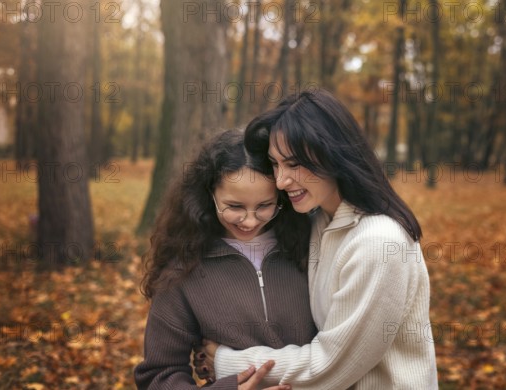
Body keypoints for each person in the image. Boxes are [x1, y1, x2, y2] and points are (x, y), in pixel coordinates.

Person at [195, 89, 438, 389]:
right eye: (275, 164)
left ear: (333, 155)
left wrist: (227, 363)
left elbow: (329, 365)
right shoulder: (320, 221)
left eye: (294, 164)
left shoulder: (378, 243)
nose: (281, 181)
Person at [134, 129, 318, 389]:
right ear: (209, 194)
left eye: (265, 205)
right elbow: (159, 375)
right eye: (235, 207)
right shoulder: (184, 266)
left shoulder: (313, 244)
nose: (250, 220)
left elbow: (342, 349)